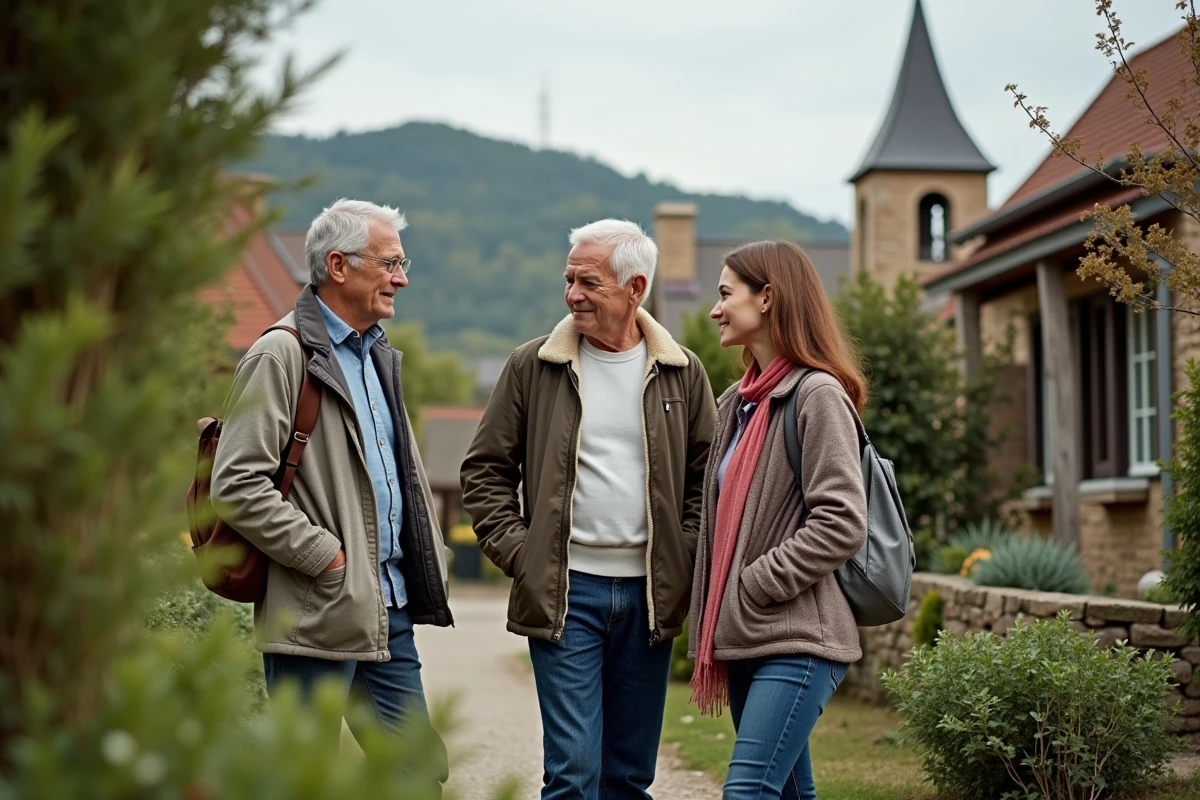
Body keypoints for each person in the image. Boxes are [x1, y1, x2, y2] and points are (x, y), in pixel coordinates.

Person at [460, 218, 715, 799]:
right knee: (574, 773)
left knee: (628, 775)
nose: (573, 294)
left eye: (589, 282)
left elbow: (706, 479)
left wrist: (687, 548)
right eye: (569, 279)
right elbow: (485, 470)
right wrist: (523, 554)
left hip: (650, 596)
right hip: (565, 593)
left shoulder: (683, 371)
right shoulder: (533, 365)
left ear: (636, 289)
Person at [210, 198, 452, 776]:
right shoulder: (280, 352)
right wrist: (327, 558)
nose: (402, 277)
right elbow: (237, 482)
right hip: (316, 611)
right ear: (339, 267)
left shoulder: (377, 354)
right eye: (390, 263)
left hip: (384, 607)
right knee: (304, 776)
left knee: (418, 771)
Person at [688, 240, 868, 800]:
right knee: (788, 795)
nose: (715, 309)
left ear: (767, 297)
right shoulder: (734, 405)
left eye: (725, 294)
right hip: (745, 636)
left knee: (747, 792)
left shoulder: (817, 395)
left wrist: (756, 582)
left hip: (797, 636)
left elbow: (841, 520)